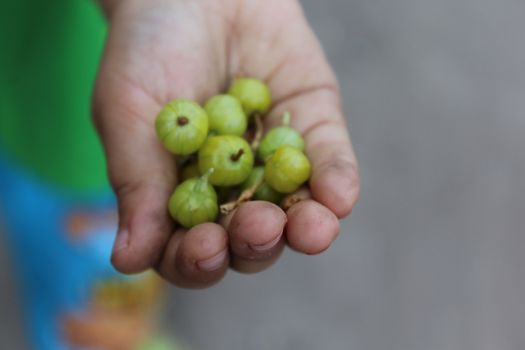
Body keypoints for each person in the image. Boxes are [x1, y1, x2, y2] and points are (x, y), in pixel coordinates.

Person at [0, 0, 360, 349]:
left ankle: (117, 338)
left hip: (59, 89)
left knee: (95, 271)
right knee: (79, 262)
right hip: (52, 117)